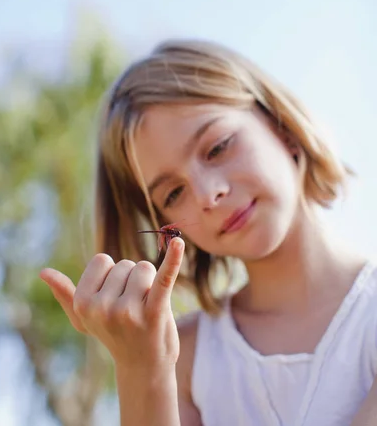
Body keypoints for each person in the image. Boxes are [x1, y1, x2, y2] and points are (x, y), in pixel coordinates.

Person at [40, 38, 377, 426]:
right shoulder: (182, 360)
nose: (207, 195)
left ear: (278, 124)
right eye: (174, 193)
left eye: (217, 148)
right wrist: (140, 370)